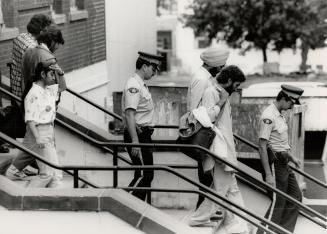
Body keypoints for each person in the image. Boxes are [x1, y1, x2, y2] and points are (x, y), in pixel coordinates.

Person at [188, 65, 248, 234]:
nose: (237, 89)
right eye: (236, 85)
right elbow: (206, 119)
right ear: (228, 80)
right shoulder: (212, 93)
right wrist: (220, 102)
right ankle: (197, 219)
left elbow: (223, 122)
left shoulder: (224, 94)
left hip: (226, 148)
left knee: (230, 187)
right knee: (221, 189)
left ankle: (238, 223)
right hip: (219, 150)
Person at [5, 25, 66, 180]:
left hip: (32, 107)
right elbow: (59, 88)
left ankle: (21, 171)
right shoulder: (48, 58)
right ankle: (40, 175)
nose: (57, 48)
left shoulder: (29, 53)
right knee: (39, 151)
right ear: (52, 41)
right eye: (58, 44)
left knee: (32, 147)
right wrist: (60, 74)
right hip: (42, 114)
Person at [184, 46, 230, 209]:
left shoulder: (204, 76)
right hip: (202, 133)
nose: (223, 69)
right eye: (222, 66)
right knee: (206, 175)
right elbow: (195, 110)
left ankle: (204, 211)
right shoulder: (202, 79)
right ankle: (201, 211)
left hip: (205, 132)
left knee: (208, 175)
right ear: (215, 65)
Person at [0, 14, 53, 154]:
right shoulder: (32, 48)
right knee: (33, 126)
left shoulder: (20, 38)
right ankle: (26, 161)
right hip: (27, 92)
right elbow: (32, 74)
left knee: (25, 124)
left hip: (17, 88)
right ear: (41, 30)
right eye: (47, 29)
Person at [8, 61, 64, 187]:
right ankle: (27, 196)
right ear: (43, 74)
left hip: (49, 130)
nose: (54, 78)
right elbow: (30, 119)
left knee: (56, 174)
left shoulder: (49, 89)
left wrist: (61, 74)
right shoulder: (33, 94)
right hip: (40, 132)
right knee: (47, 173)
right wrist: (38, 137)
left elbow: (62, 87)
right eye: (51, 74)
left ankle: (55, 200)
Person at [257, 85, 303, 233]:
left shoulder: (280, 114)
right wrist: (269, 175)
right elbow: (262, 147)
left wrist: (292, 157)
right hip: (274, 165)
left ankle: (282, 231)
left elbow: (279, 142)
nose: (291, 107)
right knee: (278, 203)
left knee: (296, 197)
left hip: (284, 162)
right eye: (291, 103)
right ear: (284, 99)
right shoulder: (269, 116)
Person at [122, 51, 163, 201]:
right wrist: (135, 142)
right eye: (153, 69)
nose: (154, 73)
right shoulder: (134, 86)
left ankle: (132, 206)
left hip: (142, 134)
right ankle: (128, 205)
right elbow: (129, 114)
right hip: (138, 135)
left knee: (144, 174)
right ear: (145, 66)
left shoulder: (140, 84)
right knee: (145, 174)